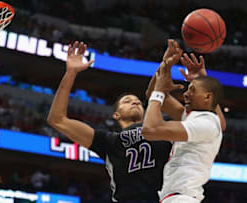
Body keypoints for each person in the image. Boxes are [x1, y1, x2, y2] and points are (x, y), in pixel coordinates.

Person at [47, 41, 172, 203]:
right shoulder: (108, 141)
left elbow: (200, 119)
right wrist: (70, 73)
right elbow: (57, 119)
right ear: (116, 115)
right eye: (127, 101)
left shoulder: (163, 127)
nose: (134, 102)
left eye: (138, 102)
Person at [142, 40, 225, 203]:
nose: (186, 94)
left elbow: (150, 130)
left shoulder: (206, 124)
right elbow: (152, 93)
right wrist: (165, 65)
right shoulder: (193, 118)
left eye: (192, 90)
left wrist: (160, 91)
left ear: (208, 97)